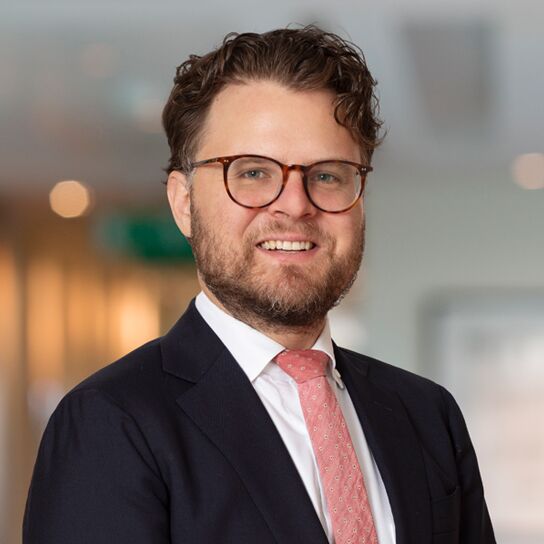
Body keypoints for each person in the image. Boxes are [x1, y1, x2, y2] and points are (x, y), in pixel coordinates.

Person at [23, 26, 495, 543]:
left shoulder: (427, 414)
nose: (295, 204)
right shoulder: (111, 422)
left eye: (328, 174)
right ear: (184, 203)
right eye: (251, 172)